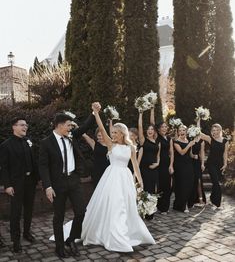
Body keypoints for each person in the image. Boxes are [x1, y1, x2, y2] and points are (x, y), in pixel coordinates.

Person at [76, 104, 155, 252]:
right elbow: (101, 126)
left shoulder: (131, 147)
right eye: (112, 132)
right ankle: (116, 236)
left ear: (122, 134)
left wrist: (140, 181)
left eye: (116, 133)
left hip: (125, 177)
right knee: (115, 204)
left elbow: (135, 166)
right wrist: (95, 113)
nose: (113, 135)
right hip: (111, 177)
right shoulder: (110, 145)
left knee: (126, 205)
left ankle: (126, 232)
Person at [39, 103, 100, 258]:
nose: (70, 128)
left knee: (81, 212)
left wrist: (94, 112)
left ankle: (71, 239)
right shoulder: (46, 142)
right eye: (68, 125)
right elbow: (43, 166)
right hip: (57, 183)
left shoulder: (71, 136)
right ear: (59, 126)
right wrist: (47, 186)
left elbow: (85, 126)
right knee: (58, 216)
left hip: (73, 180)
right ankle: (59, 247)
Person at [0, 117, 39, 253]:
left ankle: (27, 233)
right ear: (14, 127)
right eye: (22, 125)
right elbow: (4, 168)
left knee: (29, 210)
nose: (25, 127)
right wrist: (7, 185)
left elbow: (34, 161)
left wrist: (37, 178)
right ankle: (15, 241)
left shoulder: (28, 141)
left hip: (30, 182)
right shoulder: (6, 145)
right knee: (15, 213)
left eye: (26, 125)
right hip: (16, 184)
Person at [138, 109, 161, 219]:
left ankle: (150, 211)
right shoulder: (143, 140)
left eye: (152, 129)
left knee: (153, 190)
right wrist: (141, 114)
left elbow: (158, 155)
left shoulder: (156, 141)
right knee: (146, 189)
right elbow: (140, 127)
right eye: (148, 129)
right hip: (145, 169)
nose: (149, 130)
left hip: (154, 169)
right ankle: (144, 211)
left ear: (154, 131)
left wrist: (157, 164)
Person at [200, 123, 229, 209]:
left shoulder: (225, 141)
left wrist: (225, 164)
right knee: (216, 182)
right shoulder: (210, 139)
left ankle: (212, 198)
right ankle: (217, 203)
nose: (215, 132)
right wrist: (199, 119)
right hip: (211, 164)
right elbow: (199, 133)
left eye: (216, 130)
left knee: (216, 183)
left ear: (220, 130)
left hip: (219, 165)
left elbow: (225, 153)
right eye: (213, 130)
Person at [173, 125, 195, 213]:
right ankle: (183, 205)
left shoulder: (188, 140)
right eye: (180, 130)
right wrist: (189, 145)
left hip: (189, 165)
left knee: (190, 183)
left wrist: (194, 156)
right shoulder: (176, 142)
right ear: (178, 132)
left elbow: (190, 154)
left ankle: (183, 203)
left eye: (183, 130)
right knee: (182, 185)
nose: (182, 132)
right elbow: (182, 152)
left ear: (186, 132)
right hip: (180, 166)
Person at [156, 122, 174, 214]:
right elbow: (152, 123)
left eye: (165, 127)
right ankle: (160, 206)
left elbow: (171, 152)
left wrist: (171, 165)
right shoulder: (156, 137)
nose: (164, 128)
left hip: (167, 164)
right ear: (159, 129)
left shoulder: (169, 138)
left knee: (168, 186)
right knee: (160, 186)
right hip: (158, 164)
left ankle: (165, 207)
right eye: (162, 127)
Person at [189, 139, 206, 207]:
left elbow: (202, 152)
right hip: (188, 162)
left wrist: (202, 164)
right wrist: (192, 155)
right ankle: (191, 200)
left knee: (199, 180)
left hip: (197, 162)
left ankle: (200, 199)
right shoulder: (188, 138)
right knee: (191, 181)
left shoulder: (201, 141)